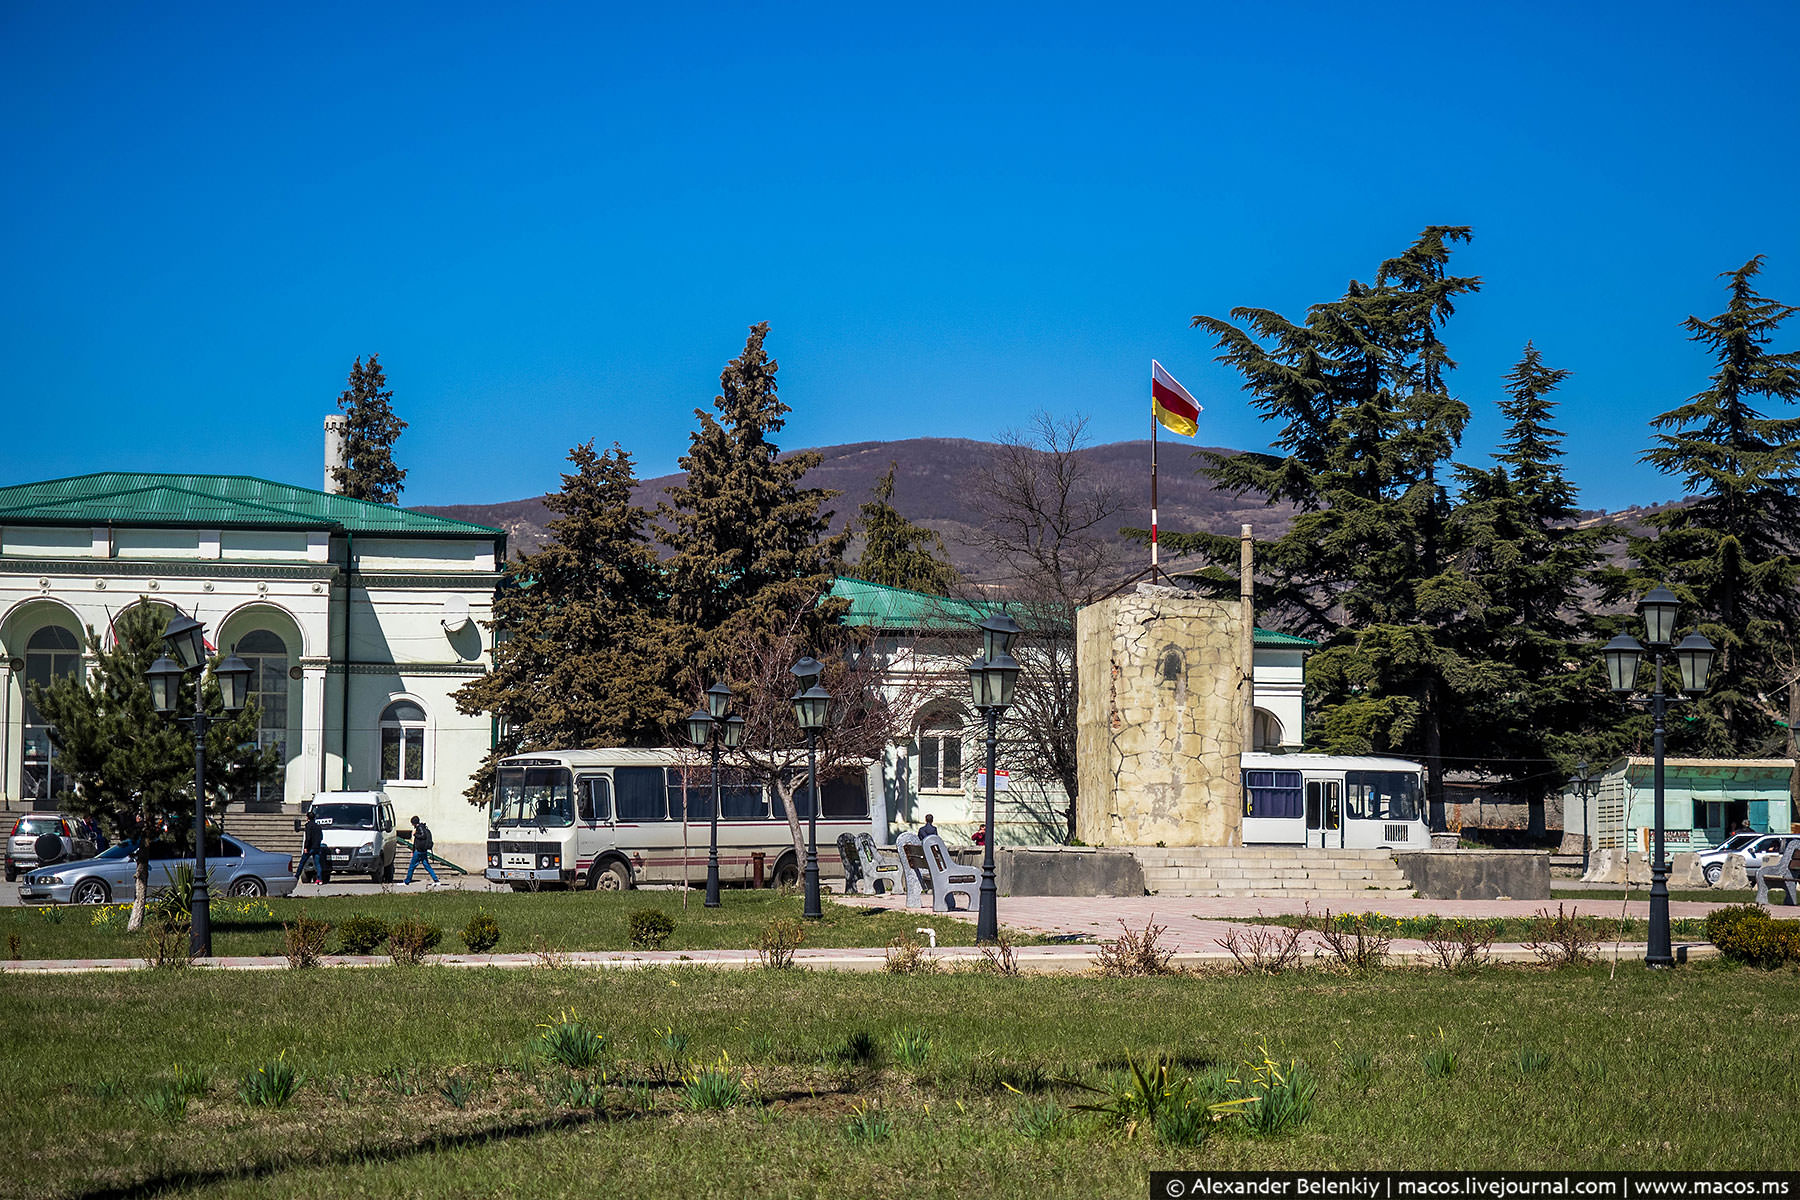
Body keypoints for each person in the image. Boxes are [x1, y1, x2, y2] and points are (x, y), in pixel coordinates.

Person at [404, 815, 440, 886]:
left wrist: (415, 834)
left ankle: (407, 881)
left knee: (412, 866)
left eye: (412, 823)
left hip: (419, 851)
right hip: (423, 850)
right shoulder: (422, 827)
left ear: (414, 823)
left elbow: (423, 836)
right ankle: (436, 880)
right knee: (427, 866)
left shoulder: (419, 828)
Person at [295, 809, 328, 885]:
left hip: (310, 847)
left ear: (307, 818)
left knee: (302, 862)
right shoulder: (318, 827)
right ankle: (319, 879)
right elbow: (321, 837)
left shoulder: (308, 826)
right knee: (317, 864)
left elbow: (308, 837)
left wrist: (306, 847)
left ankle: (296, 876)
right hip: (317, 847)